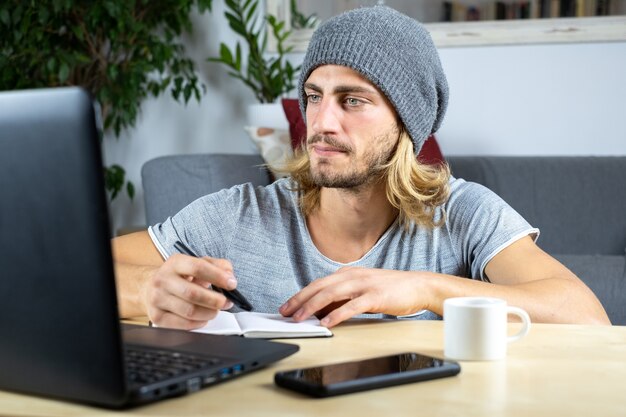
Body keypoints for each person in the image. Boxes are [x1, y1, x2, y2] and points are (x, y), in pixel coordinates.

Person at [113, 6, 610, 329]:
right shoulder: (241, 215)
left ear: (406, 122)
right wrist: (148, 289)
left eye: (353, 100)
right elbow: (81, 271)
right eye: (313, 96)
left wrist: (424, 288)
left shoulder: (462, 213)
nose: (321, 123)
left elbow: (586, 317)